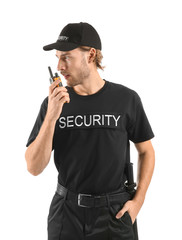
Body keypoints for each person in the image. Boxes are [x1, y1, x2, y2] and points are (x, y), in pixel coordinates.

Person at [25, 22, 155, 240]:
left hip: (114, 214)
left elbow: (146, 151)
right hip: (66, 214)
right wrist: (51, 116)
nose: (60, 66)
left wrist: (138, 202)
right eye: (57, 57)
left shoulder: (126, 99)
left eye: (66, 57)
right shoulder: (52, 104)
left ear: (91, 54)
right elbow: (33, 167)